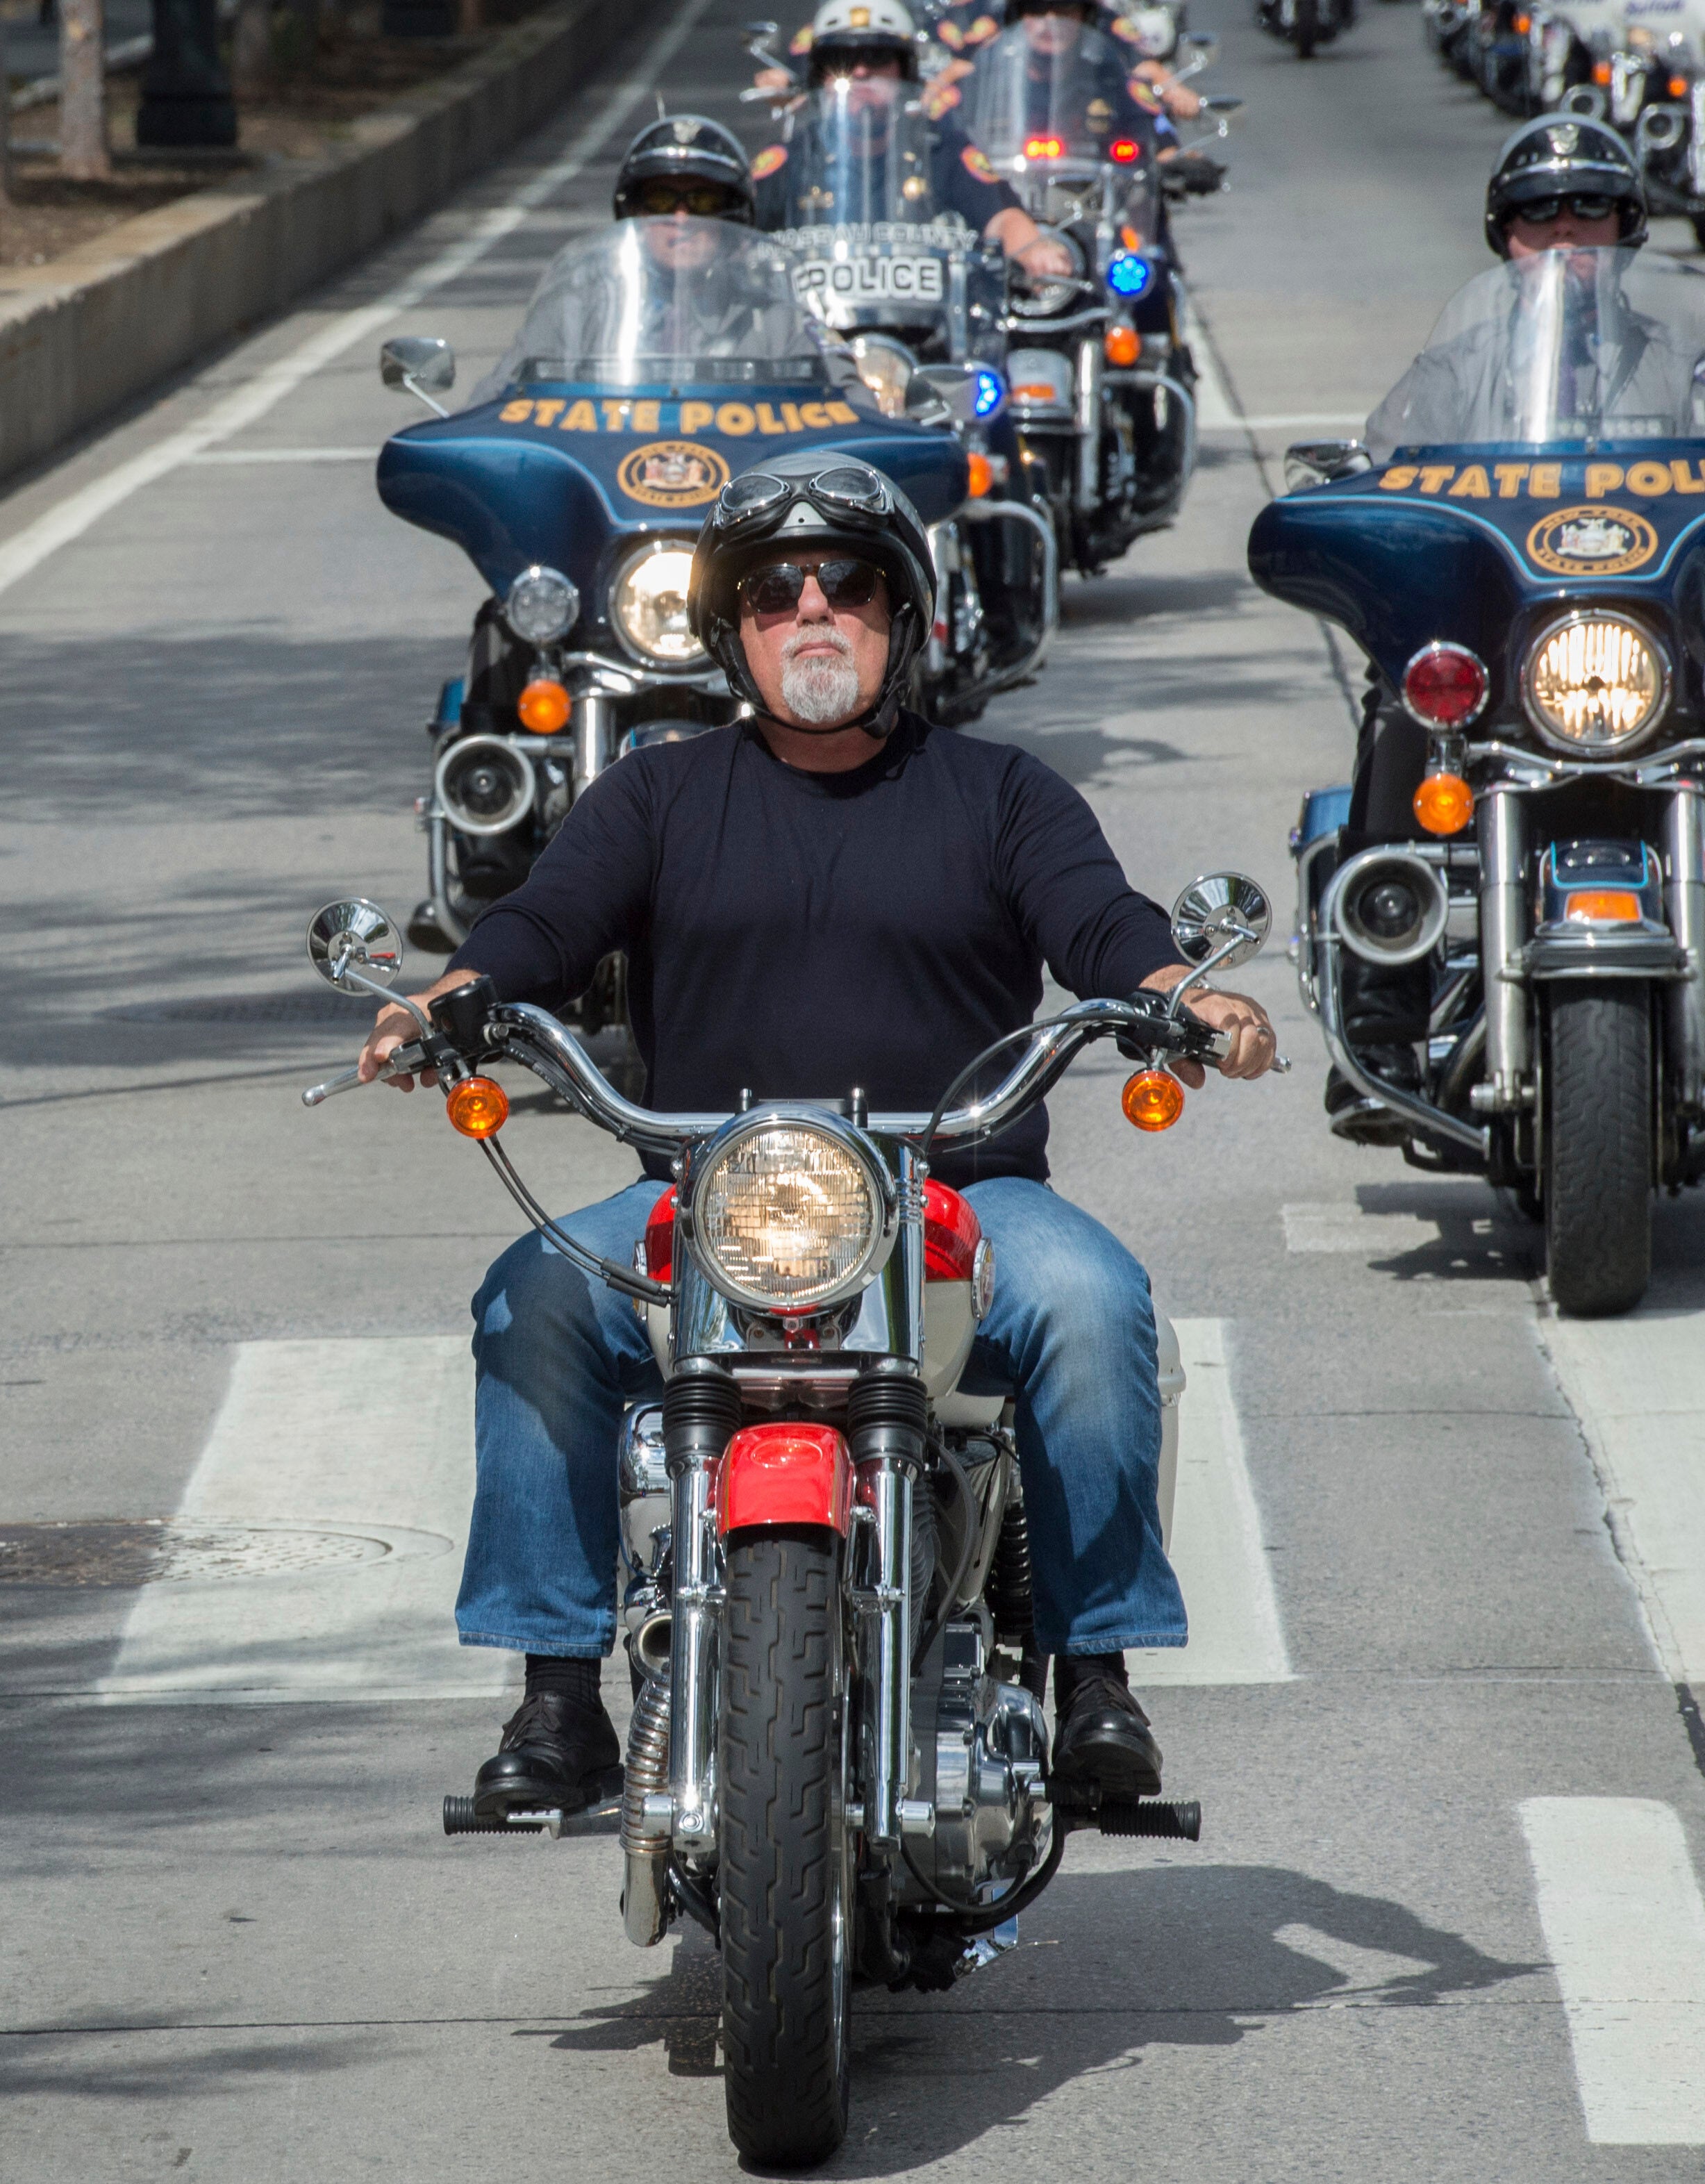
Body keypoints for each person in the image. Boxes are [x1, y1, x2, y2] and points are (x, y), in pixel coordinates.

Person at [359, 450, 1278, 1821]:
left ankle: (1095, 1679)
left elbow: (1102, 926)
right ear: (733, 630)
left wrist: (1181, 1000)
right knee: (533, 1292)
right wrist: (449, 1001)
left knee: (1095, 1303)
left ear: (903, 620)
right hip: (714, 1199)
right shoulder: (660, 796)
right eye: (774, 590)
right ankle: (556, 1699)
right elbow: (539, 928)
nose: (811, 611)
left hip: (955, 1190)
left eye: (847, 585)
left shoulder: (1001, 793)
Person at [1330, 116, 1658, 1137]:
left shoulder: (1680, 358)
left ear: (1625, 224)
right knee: (1405, 698)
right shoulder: (1462, 359)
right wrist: (1362, 496)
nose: (1563, 231)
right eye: (1535, 213)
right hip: (1511, 659)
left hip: (1655, 657)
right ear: (1501, 234)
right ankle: (1380, 1008)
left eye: (1587, 207)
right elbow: (1387, 460)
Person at [751, 0, 1076, 277]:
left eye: (878, 59)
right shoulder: (794, 156)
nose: (861, 73)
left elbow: (1003, 216)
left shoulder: (938, 148)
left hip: (925, 340)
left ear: (904, 72)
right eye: (842, 62)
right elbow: (738, 222)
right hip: (821, 338)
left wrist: (1034, 249)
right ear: (819, 77)